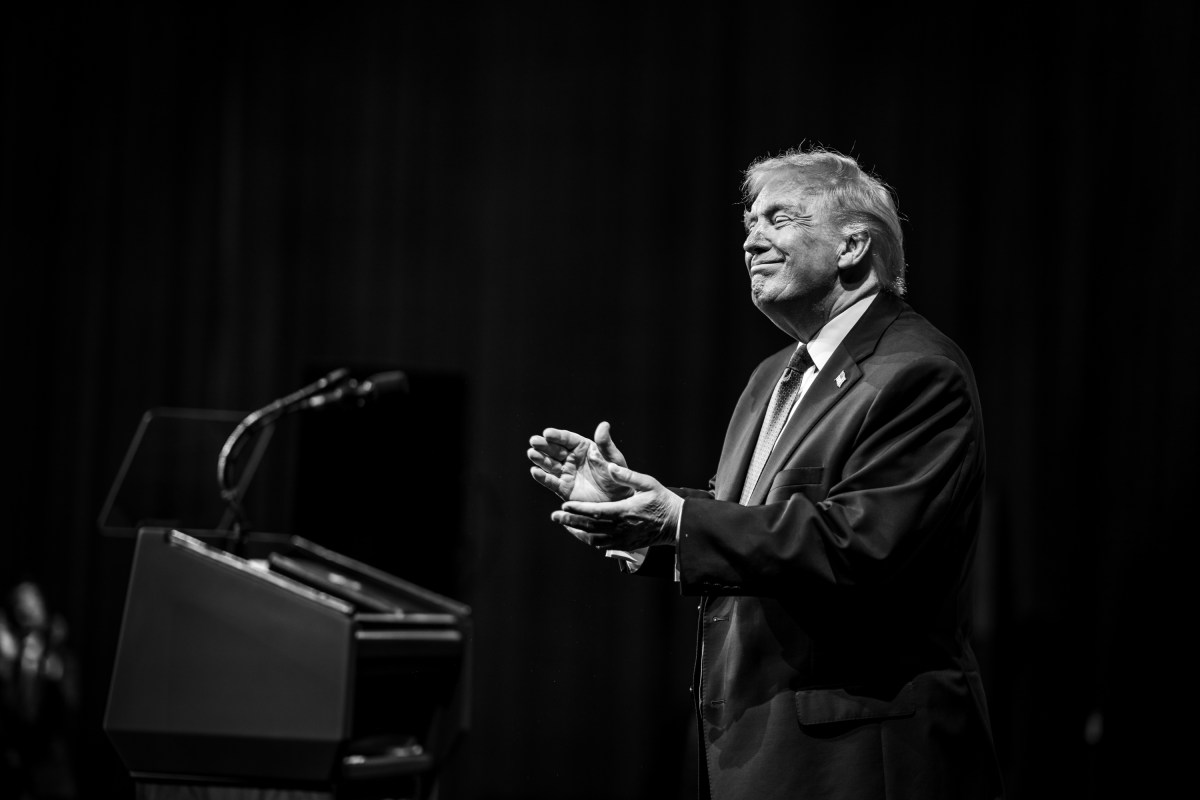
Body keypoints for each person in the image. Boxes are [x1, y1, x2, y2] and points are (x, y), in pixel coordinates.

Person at [527, 146, 1003, 799]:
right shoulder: (770, 377)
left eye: (778, 220)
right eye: (749, 222)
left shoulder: (918, 371)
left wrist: (680, 518)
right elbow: (752, 515)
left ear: (852, 246)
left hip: (861, 755)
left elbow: (860, 545)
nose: (752, 240)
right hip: (760, 743)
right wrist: (643, 512)